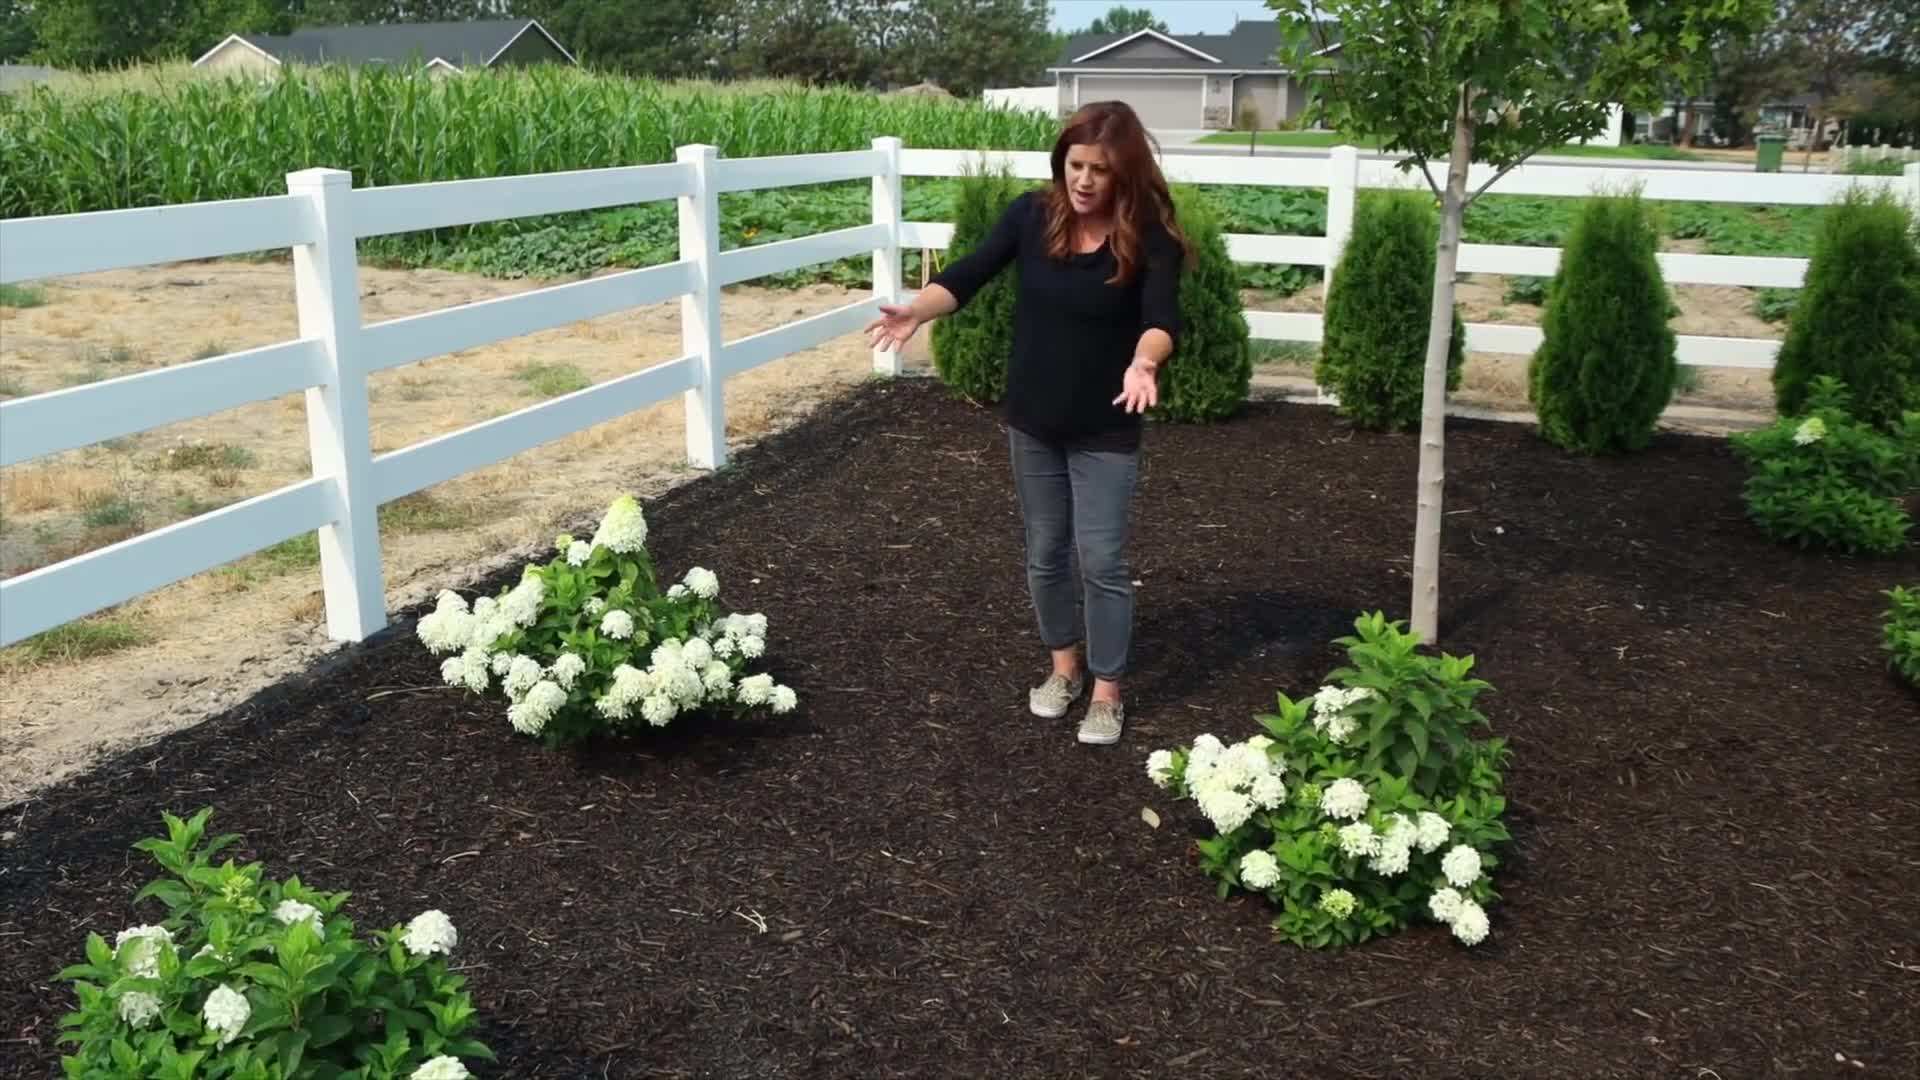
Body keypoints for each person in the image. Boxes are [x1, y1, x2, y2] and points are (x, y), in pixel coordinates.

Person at [865, 101, 1191, 746]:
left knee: (1102, 559)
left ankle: (1106, 692)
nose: (1085, 180)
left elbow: (1162, 319)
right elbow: (969, 273)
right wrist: (918, 311)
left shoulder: (1148, 237)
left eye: (1100, 169)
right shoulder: (1031, 216)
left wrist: (1144, 361)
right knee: (1045, 551)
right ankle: (1064, 669)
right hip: (1034, 420)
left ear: (1123, 173)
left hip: (1106, 427)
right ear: (1061, 163)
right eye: (1076, 165)